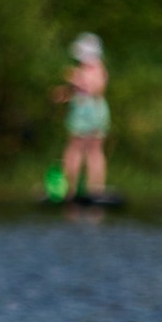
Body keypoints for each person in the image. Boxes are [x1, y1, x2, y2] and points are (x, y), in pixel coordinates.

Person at [48, 33, 111, 204]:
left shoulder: (95, 68)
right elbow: (77, 91)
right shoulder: (87, 69)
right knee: (77, 148)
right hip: (85, 109)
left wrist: (77, 79)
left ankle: (94, 188)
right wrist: (63, 94)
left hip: (91, 111)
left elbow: (95, 89)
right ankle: (73, 188)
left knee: (90, 149)